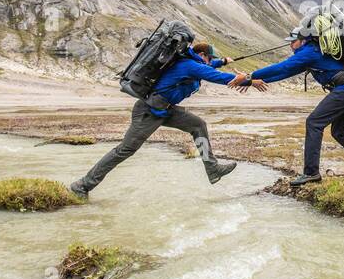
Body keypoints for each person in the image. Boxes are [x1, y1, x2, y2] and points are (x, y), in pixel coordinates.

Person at [69, 40, 263, 198]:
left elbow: (211, 66)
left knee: (198, 125)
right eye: (209, 57)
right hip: (148, 111)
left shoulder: (191, 62)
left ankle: (212, 169)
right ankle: (83, 185)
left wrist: (223, 61)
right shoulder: (190, 65)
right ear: (202, 56)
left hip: (166, 110)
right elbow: (216, 76)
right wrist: (249, 81)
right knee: (124, 150)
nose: (209, 61)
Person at [230, 27, 344, 186]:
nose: (291, 45)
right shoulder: (309, 55)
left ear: (303, 40)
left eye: (293, 42)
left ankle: (311, 173)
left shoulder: (310, 52)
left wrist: (250, 75)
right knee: (338, 132)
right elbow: (283, 74)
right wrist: (250, 81)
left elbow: (282, 67)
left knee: (314, 123)